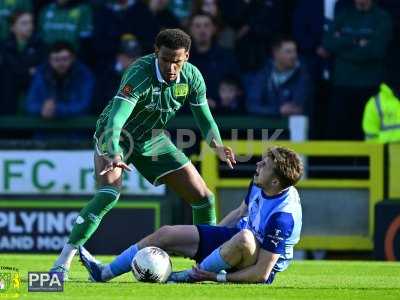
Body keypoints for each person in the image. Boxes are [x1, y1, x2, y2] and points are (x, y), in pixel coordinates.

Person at [50, 28, 236, 278]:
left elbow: (205, 120)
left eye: (177, 61)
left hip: (151, 138)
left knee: (204, 197)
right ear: (156, 52)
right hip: (117, 135)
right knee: (108, 194)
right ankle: (62, 264)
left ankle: (207, 265)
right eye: (166, 59)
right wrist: (114, 152)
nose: (171, 67)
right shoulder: (138, 73)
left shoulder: (192, 77)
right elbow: (116, 120)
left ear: (187, 57)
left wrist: (218, 146)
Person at [79, 146, 303, 284]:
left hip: (254, 263)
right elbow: (240, 212)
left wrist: (219, 277)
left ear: (275, 181)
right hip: (238, 242)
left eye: (264, 165)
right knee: (166, 234)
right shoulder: (260, 183)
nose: (258, 164)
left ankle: (189, 276)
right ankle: (104, 272)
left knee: (244, 237)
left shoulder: (283, 217)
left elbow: (263, 273)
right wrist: (214, 240)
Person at [322, 0, 392, 140]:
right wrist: (357, 42)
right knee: (341, 131)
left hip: (369, 84)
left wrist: (344, 44)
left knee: (368, 130)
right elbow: (328, 43)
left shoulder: (382, 17)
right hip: (343, 83)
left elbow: (376, 50)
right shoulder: (343, 15)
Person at [243, 37, 312, 117]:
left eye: (295, 51)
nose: (294, 55)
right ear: (276, 53)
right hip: (265, 127)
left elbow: (296, 107)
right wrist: (278, 110)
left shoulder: (303, 75)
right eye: (288, 52)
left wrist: (270, 110)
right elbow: (252, 106)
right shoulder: (263, 74)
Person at [26, 41, 94, 118]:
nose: (61, 63)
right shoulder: (41, 73)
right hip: (45, 127)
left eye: (65, 59)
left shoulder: (84, 75)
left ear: (73, 58)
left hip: (75, 127)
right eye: (56, 59)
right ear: (49, 60)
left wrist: (57, 109)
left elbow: (85, 105)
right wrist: (42, 108)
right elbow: (30, 104)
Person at [189, 12, 239, 109]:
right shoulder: (181, 61)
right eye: (197, 26)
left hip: (222, 116)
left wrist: (217, 103)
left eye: (206, 25)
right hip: (188, 117)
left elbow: (237, 91)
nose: (202, 30)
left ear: (213, 29)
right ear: (190, 30)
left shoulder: (227, 57)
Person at [0, 10, 44, 115]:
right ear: (12, 27)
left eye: (31, 23)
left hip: (31, 98)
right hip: (6, 101)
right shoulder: (3, 46)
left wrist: (16, 69)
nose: (30, 26)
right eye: (24, 23)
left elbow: (38, 72)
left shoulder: (41, 46)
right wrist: (27, 71)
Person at [92, 34, 142, 115]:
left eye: (136, 56)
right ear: (120, 57)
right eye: (130, 56)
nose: (134, 60)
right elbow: (99, 104)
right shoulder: (105, 74)